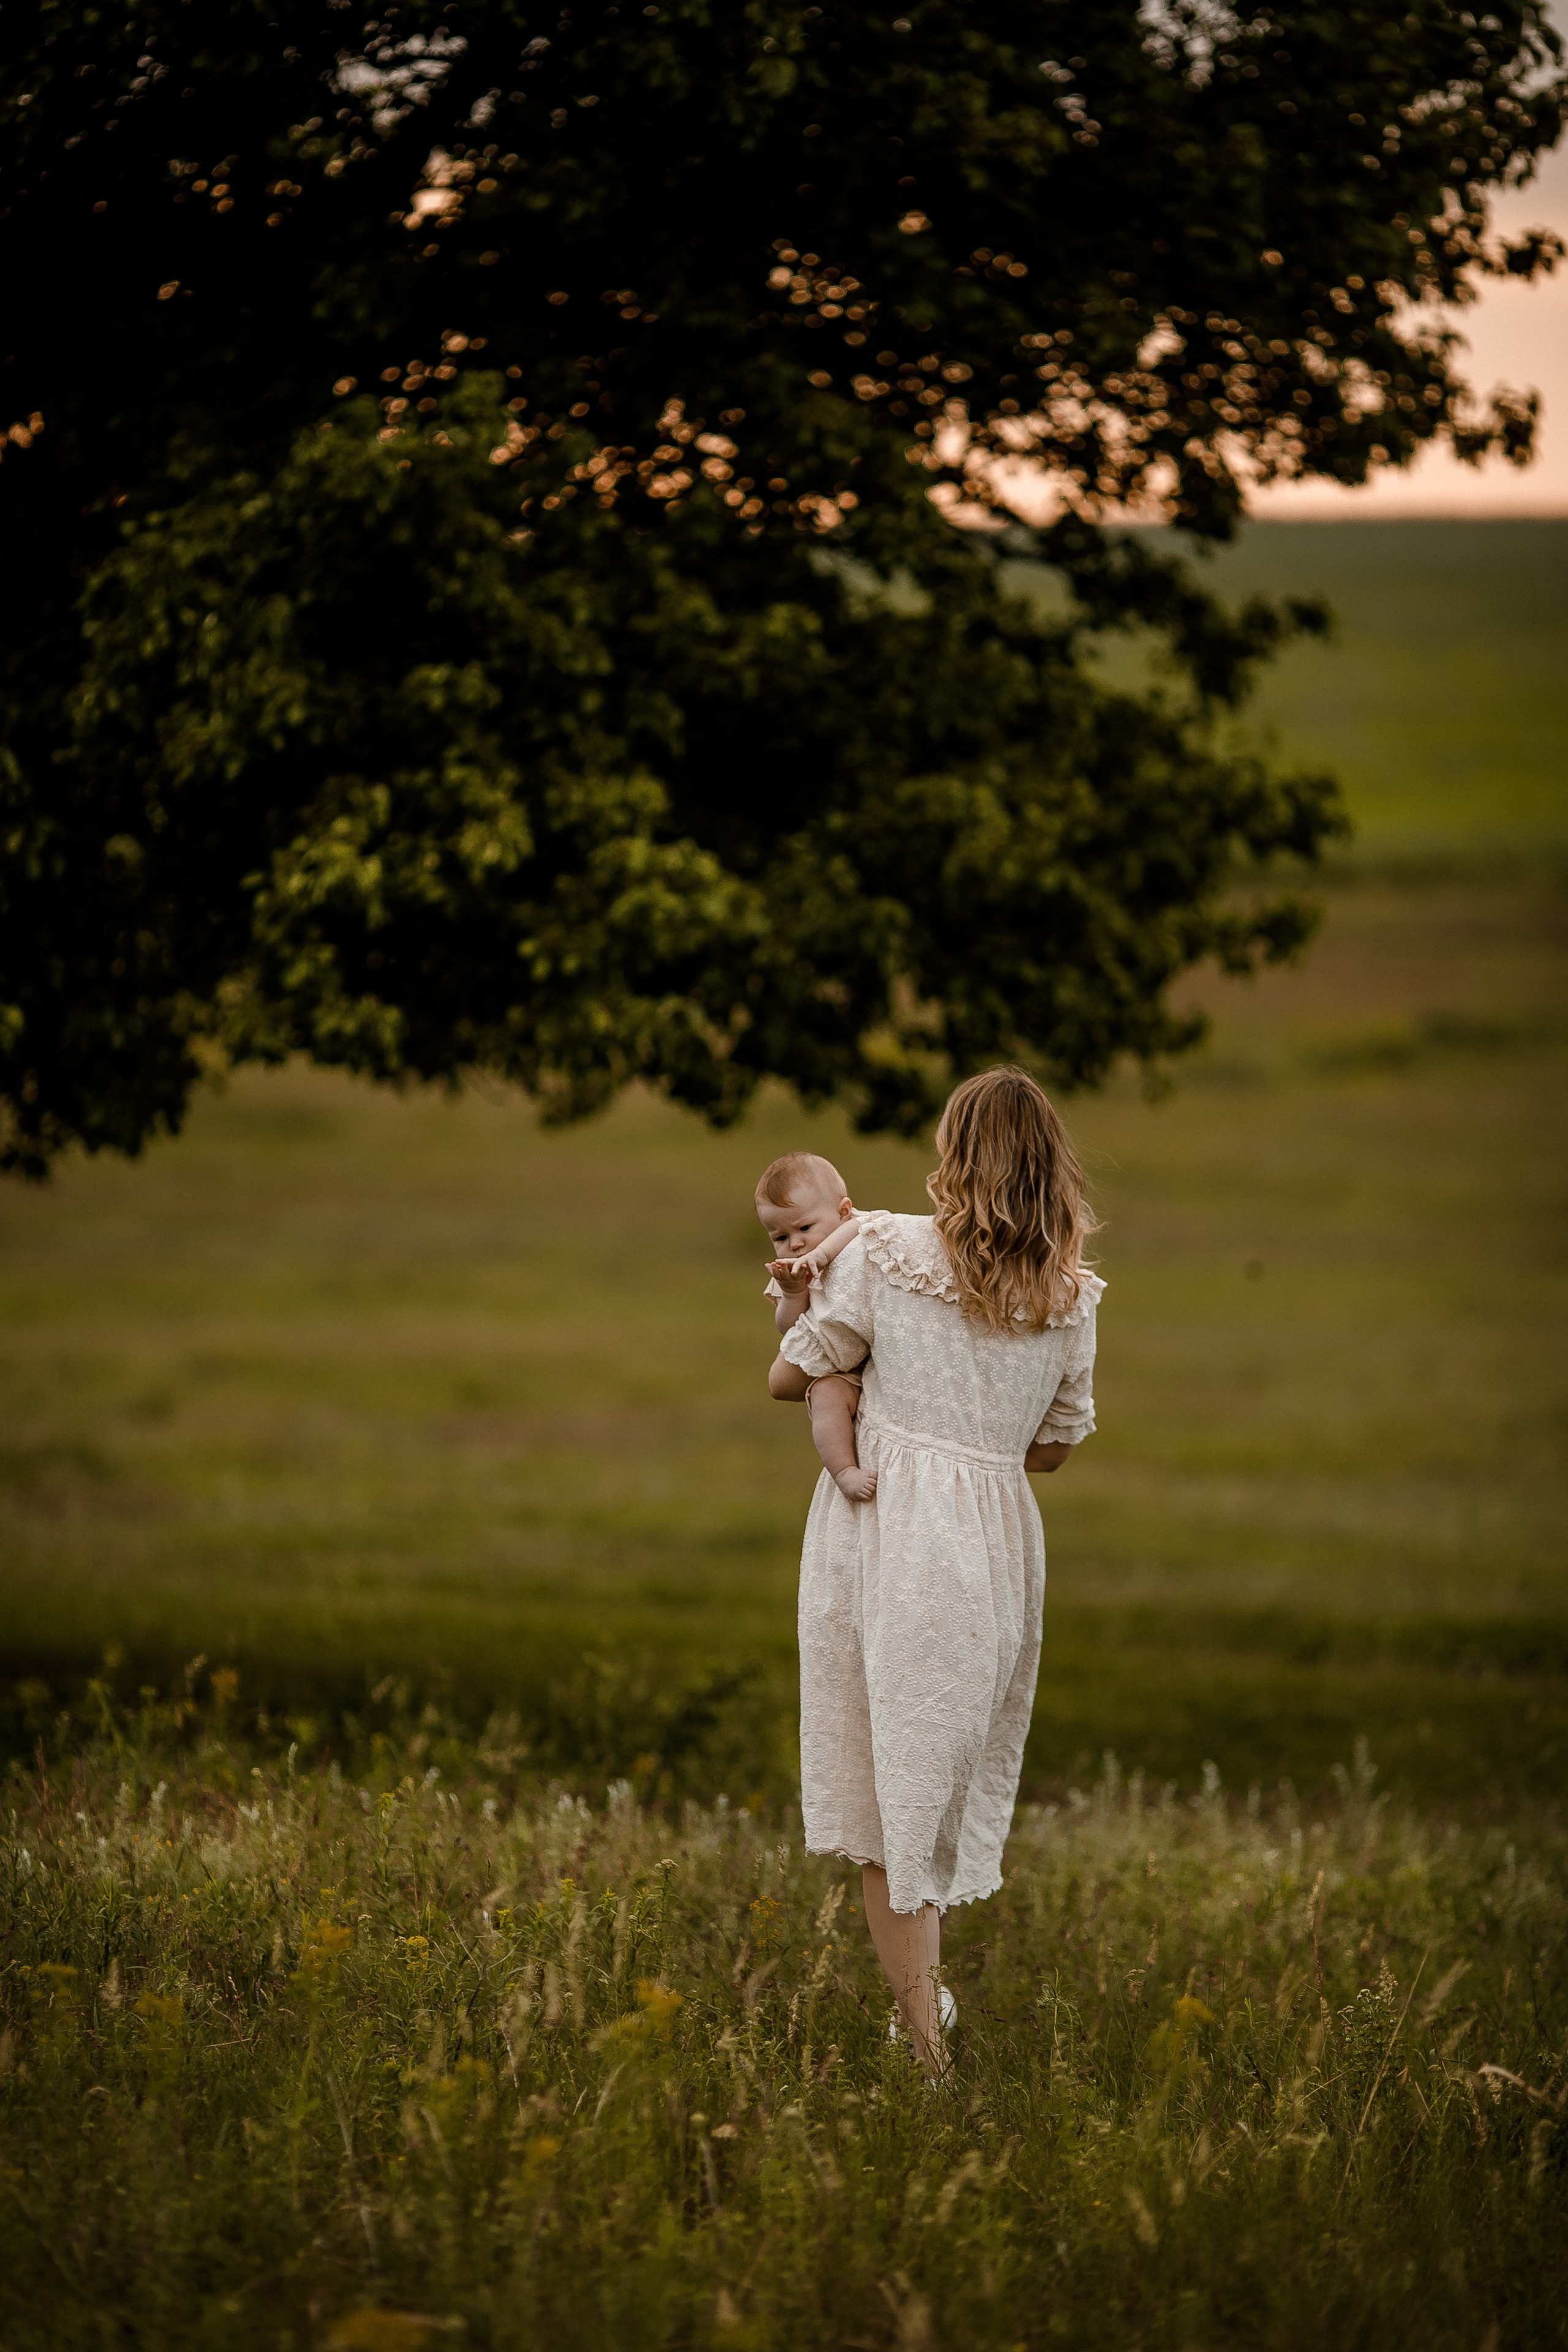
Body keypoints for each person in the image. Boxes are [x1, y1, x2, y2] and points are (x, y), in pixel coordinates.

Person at [767, 1069, 1102, 2080]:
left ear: (953, 1156)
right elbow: (1054, 1449)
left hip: (887, 1529)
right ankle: (926, 2006)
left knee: (888, 1809)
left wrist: (848, 1366)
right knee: (931, 1785)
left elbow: (792, 1375)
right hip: (995, 1545)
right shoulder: (1069, 1294)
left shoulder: (884, 1250)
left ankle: (924, 2058)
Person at [755, 1150, 876, 1502]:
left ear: (842, 1210)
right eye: (780, 1237)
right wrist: (794, 1294)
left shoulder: (858, 1230)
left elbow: (863, 1225)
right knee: (826, 1397)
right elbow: (787, 1330)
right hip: (839, 1369)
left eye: (805, 1228)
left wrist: (822, 1256)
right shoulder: (788, 1270)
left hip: (877, 1357)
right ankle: (844, 1470)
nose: (795, 1244)